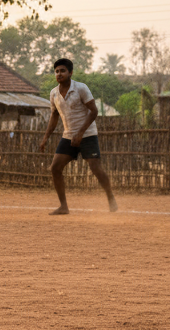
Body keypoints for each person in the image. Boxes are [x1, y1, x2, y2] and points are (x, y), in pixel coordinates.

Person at [38, 59, 118, 214]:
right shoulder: (54, 93)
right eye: (57, 71)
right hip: (68, 136)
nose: (59, 74)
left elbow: (94, 111)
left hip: (87, 134)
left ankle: (110, 197)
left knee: (95, 167)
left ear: (70, 73)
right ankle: (64, 206)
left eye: (62, 71)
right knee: (55, 168)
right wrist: (45, 138)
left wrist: (81, 133)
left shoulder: (81, 88)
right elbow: (54, 116)